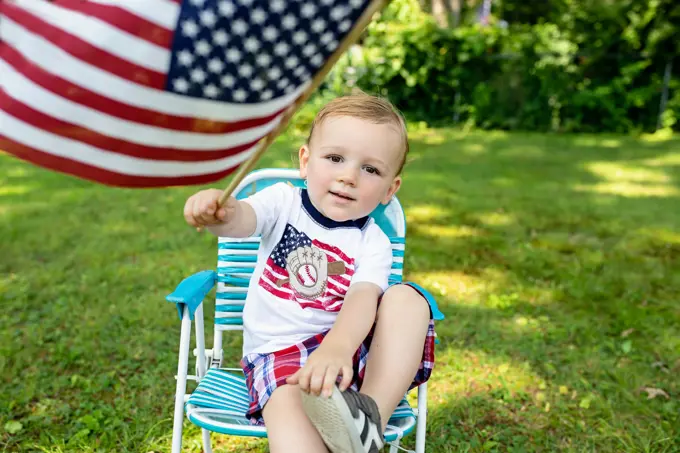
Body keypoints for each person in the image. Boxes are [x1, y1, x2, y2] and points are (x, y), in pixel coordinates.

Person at [183, 93, 437, 453]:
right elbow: (243, 220)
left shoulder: (373, 241)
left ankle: (368, 422)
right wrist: (221, 211)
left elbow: (363, 299)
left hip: (353, 353)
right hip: (279, 356)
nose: (349, 176)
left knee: (408, 299)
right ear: (306, 161)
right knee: (292, 417)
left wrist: (336, 348)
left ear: (389, 189)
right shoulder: (281, 202)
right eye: (335, 158)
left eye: (371, 169)